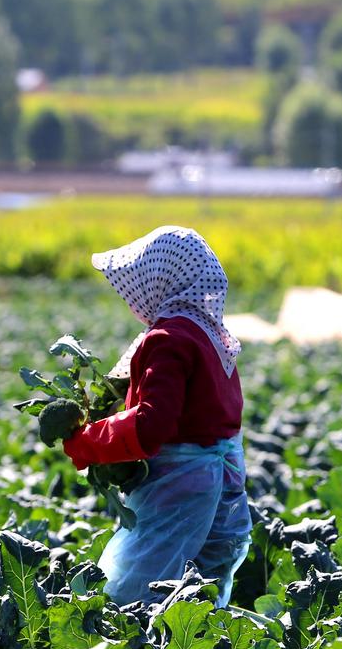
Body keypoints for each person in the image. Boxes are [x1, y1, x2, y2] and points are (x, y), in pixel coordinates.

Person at [63, 226, 252, 607]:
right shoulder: (210, 334)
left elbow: (152, 426)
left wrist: (86, 441)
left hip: (180, 489)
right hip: (223, 485)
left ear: (159, 279)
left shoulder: (168, 339)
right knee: (197, 601)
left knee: (134, 598)